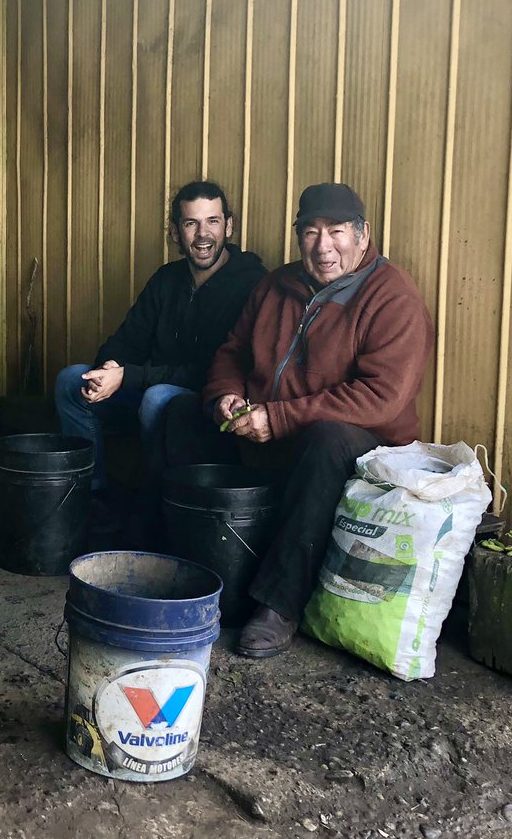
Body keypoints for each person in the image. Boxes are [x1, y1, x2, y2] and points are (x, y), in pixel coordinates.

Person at [161, 182, 433, 658]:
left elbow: (381, 397)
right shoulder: (276, 285)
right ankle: (182, 565)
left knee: (327, 440)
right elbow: (233, 352)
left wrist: (280, 417)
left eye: (337, 231)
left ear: (363, 235)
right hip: (268, 429)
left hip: (350, 442)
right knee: (181, 413)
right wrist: (226, 395)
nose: (323, 246)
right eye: (310, 232)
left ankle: (278, 605)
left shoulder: (392, 297)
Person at [54, 180, 266, 528]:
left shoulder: (250, 283)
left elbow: (211, 370)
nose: (203, 234)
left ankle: (158, 505)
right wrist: (108, 368)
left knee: (158, 399)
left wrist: (129, 376)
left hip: (207, 401)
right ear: (175, 232)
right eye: (191, 223)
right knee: (71, 380)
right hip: (149, 383)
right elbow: (127, 340)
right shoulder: (167, 279)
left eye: (212, 221)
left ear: (228, 226)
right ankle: (91, 497)